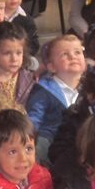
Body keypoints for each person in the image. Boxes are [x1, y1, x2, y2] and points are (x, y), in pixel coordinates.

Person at [25, 34, 86, 163]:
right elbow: (34, 119)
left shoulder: (89, 88)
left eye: (77, 52)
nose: (73, 57)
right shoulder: (44, 90)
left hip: (80, 139)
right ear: (51, 66)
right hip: (51, 141)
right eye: (65, 54)